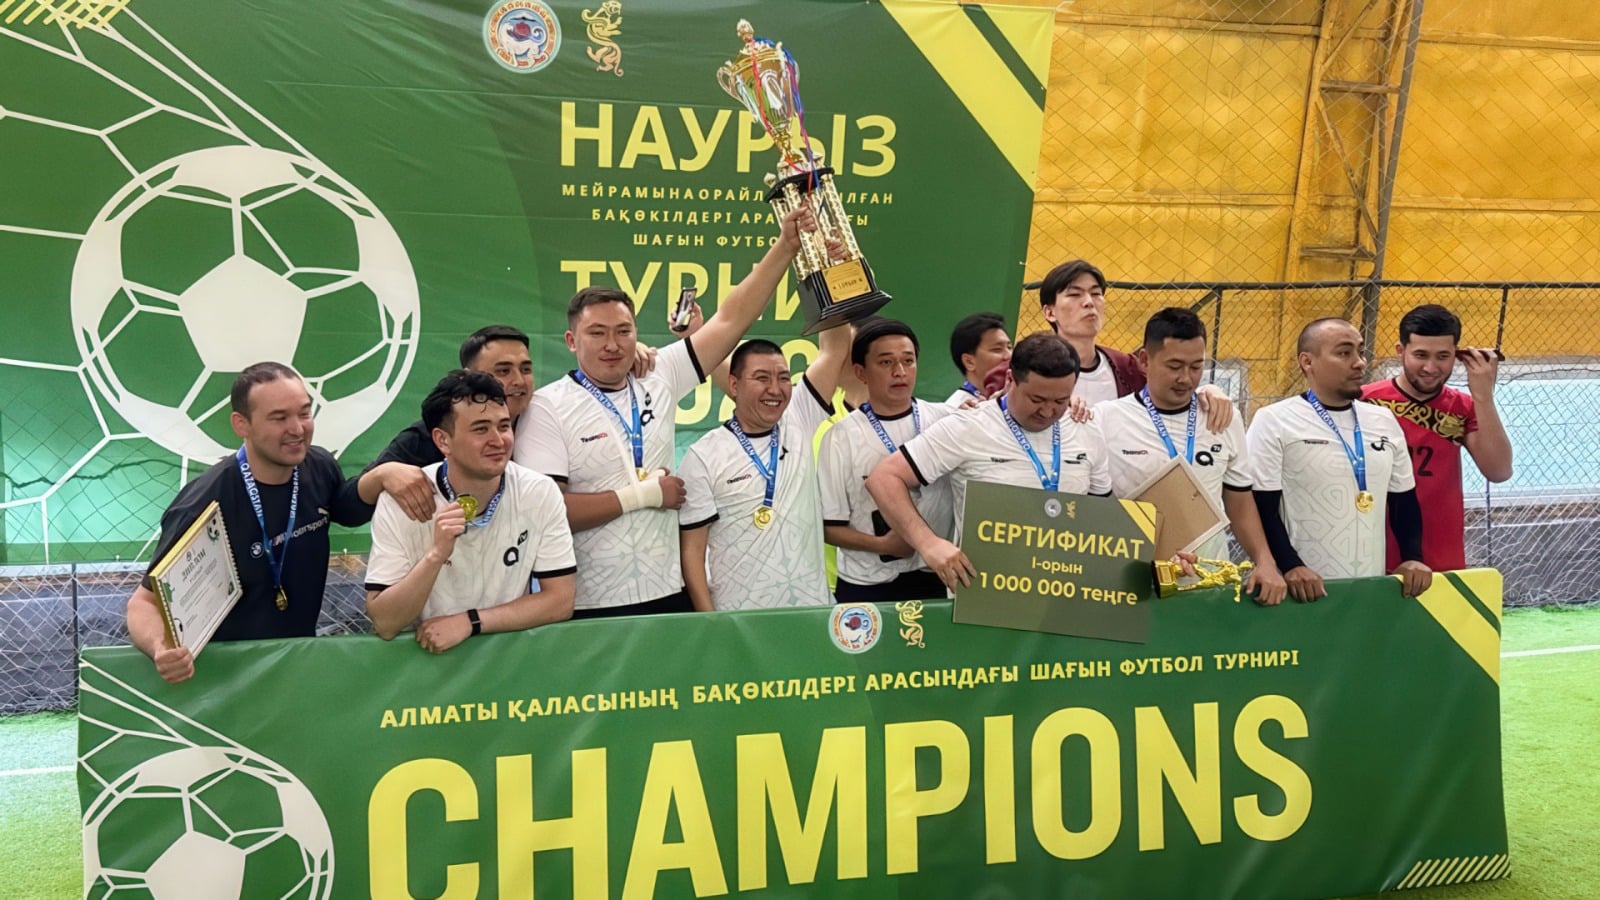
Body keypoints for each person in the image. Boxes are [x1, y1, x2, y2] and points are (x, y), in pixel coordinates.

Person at [515, 206, 818, 617]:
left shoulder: (660, 375)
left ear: (636, 334)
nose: (612, 345)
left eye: (623, 332)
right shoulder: (547, 407)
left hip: (668, 595)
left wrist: (785, 246)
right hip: (591, 603)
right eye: (597, 333)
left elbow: (732, 319)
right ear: (571, 340)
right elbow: (546, 510)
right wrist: (642, 496)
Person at [126, 363, 417, 683]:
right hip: (224, 678)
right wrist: (160, 648)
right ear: (241, 424)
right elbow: (144, 602)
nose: (297, 429)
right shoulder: (204, 502)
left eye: (304, 413)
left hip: (296, 665)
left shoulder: (319, 465)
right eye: (279, 418)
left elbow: (346, 510)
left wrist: (381, 475)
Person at [866, 333, 1111, 592]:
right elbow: (884, 478)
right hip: (984, 593)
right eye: (1036, 399)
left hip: (1062, 592)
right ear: (1010, 380)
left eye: (1060, 400)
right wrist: (928, 544)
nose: (1048, 411)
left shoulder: (1085, 427)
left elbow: (1103, 510)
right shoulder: (968, 427)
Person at [364, 370, 575, 652]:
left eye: (503, 426)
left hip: (508, 659)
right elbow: (385, 622)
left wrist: (471, 622)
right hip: (425, 659)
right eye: (480, 429)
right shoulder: (402, 500)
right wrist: (436, 555)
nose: (498, 440)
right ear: (443, 441)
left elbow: (560, 601)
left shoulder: (539, 491)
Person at [1093, 309, 1287, 605]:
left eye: (1197, 366)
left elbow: (1239, 501)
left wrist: (1265, 561)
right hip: (1135, 584)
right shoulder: (1105, 418)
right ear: (1144, 360)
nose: (1186, 378)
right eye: (1174, 366)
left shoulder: (1223, 417)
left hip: (1210, 581)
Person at [1246, 319, 1431, 600]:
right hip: (1300, 591)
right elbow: (1261, 507)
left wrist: (1413, 557)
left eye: (1360, 352)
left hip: (1367, 590)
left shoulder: (1382, 420)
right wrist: (1290, 565)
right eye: (1344, 353)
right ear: (1307, 361)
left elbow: (1403, 501)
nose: (1359, 363)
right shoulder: (1275, 420)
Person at [677, 326, 849, 610]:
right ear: (734, 386)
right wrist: (710, 621)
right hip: (739, 619)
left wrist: (830, 296)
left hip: (811, 612)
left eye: (784, 378)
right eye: (762, 378)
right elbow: (692, 553)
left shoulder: (799, 418)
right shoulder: (703, 456)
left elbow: (835, 350)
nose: (775, 389)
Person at [1361, 304, 1513, 572]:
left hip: (1441, 560)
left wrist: (1483, 396)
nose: (1430, 367)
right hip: (1370, 554)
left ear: (1457, 355)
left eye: (1443, 356)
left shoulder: (1465, 407)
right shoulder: (1364, 401)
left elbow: (1499, 471)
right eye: (1420, 355)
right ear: (1400, 351)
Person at [819, 319, 954, 603]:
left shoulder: (946, 421)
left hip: (934, 574)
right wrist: (883, 544)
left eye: (908, 361)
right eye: (886, 362)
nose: (900, 372)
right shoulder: (840, 437)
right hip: (866, 583)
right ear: (861, 372)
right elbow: (829, 528)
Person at [1036, 259, 1234, 431]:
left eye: (1096, 293)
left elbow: (1170, 389)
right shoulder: (1030, 368)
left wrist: (1207, 391)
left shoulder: (1127, 368)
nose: (1089, 302)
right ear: (1049, 312)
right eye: (1074, 295)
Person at [946, 311, 1012, 406]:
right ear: (969, 362)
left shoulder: (1010, 400)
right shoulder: (956, 408)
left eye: (1009, 347)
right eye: (997, 349)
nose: (1009, 355)